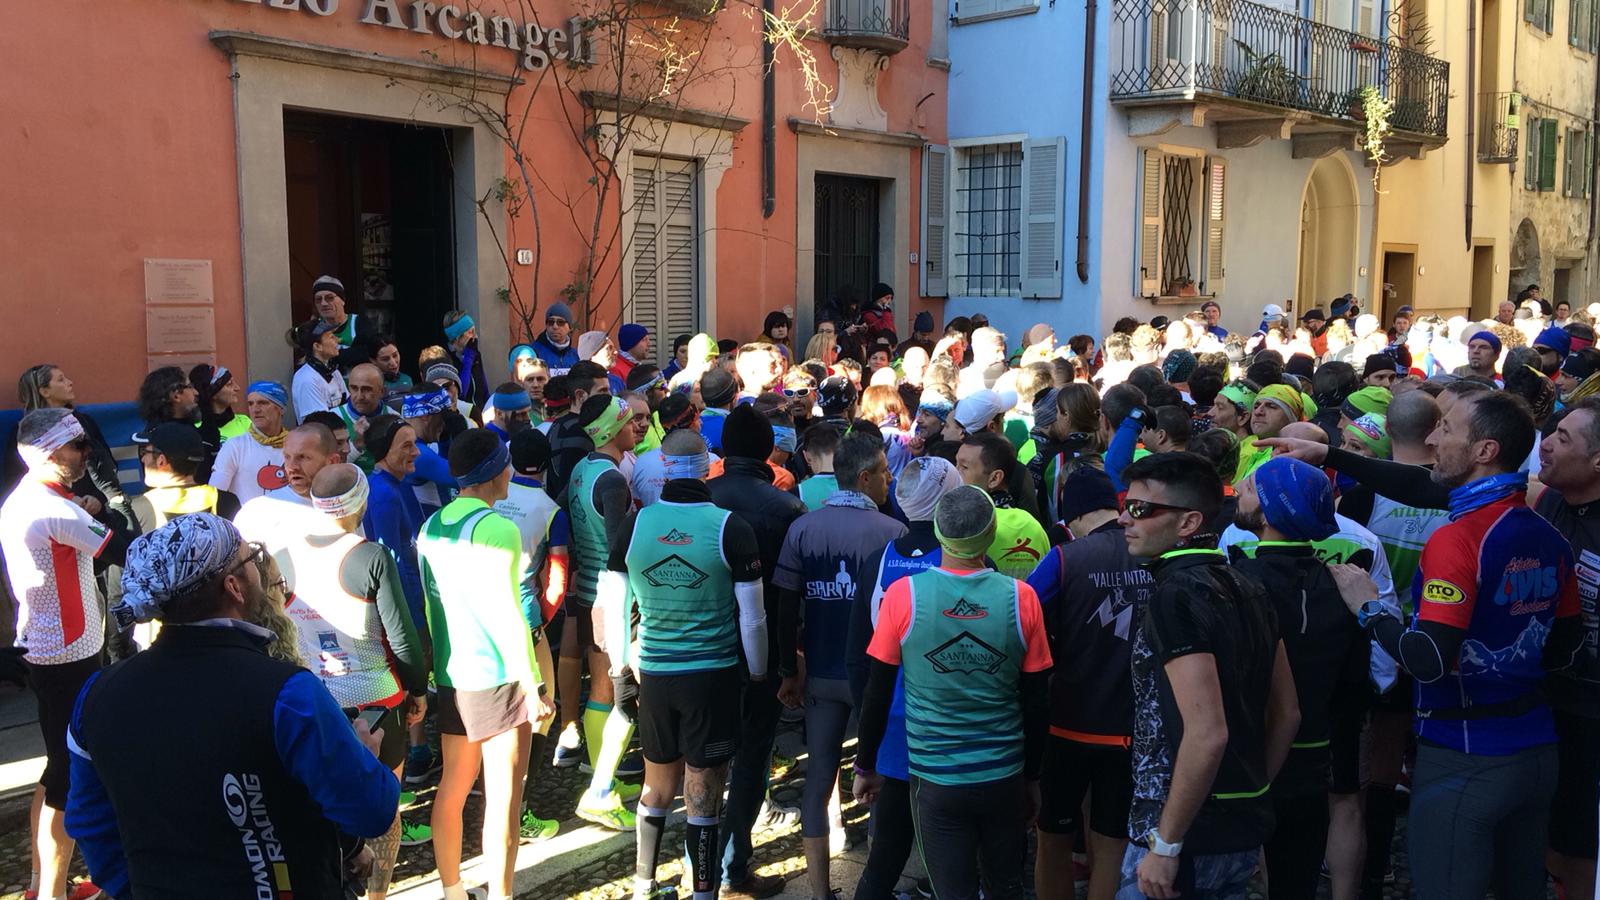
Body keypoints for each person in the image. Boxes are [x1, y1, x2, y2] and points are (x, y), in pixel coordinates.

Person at [1326, 391, 1582, 900]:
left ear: (1485, 451)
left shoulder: (1456, 539)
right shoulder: (1548, 534)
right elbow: (1565, 647)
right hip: (1535, 751)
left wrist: (1368, 607)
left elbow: (1428, 660)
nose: (1431, 438)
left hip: (1463, 754)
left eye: (1445, 428)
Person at [65, 513, 398, 899]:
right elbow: (370, 811)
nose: (259, 567)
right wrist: (365, 758)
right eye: (251, 558)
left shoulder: (96, 694)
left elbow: (89, 823)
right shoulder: (288, 693)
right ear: (234, 587)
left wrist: (135, 889)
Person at [853, 484, 1052, 900]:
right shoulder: (1023, 599)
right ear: (991, 532)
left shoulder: (903, 596)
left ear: (939, 534)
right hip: (1003, 773)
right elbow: (1037, 700)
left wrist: (865, 765)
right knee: (1007, 888)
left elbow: (877, 692)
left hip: (935, 779)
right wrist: (1032, 776)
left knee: (952, 891)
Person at [1116, 452, 1300, 900]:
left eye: (1140, 509)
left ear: (1188, 522)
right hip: (1237, 827)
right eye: (1125, 504)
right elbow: (1288, 714)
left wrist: (1167, 843)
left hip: (1182, 836)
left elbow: (1207, 733)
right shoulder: (1248, 583)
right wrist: (1250, 791)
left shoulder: (1176, 595)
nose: (1124, 518)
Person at [597, 427, 768, 900]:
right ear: (709, 467)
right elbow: (753, 618)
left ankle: (643, 884)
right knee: (703, 791)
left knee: (657, 784)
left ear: (664, 469)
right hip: (711, 676)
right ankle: (703, 893)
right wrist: (758, 675)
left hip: (654, 672)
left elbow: (616, 606)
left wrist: (619, 670)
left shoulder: (635, 525)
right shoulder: (730, 527)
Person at [285, 464, 433, 892]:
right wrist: (418, 690)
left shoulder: (282, 555)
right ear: (362, 503)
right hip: (376, 697)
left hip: (314, 697)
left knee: (324, 804)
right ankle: (378, 894)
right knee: (383, 807)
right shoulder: (371, 557)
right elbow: (402, 637)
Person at [773, 430, 906, 900]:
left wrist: (788, 669)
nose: (890, 481)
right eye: (885, 473)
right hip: (874, 677)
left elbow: (785, 606)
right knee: (882, 775)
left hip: (822, 672)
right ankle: (877, 885)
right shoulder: (893, 534)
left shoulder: (804, 528)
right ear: (865, 478)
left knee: (819, 777)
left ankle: (819, 890)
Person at [418, 429, 550, 900]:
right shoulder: (499, 529)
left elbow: (431, 606)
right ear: (496, 472)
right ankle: (500, 895)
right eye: (505, 463)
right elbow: (507, 613)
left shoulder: (431, 525)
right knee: (504, 800)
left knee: (452, 789)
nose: (510, 471)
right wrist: (532, 685)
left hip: (452, 675)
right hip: (497, 678)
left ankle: (453, 891)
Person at [1229, 457, 1368, 900]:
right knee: (1296, 882)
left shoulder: (1238, 581)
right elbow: (1354, 683)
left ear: (1271, 511)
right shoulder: (1345, 585)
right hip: (1316, 757)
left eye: (1251, 487)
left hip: (1250, 758)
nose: (1238, 488)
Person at [0, 409, 111, 900]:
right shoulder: (57, 511)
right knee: (67, 777)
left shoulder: (31, 497)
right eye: (77, 445)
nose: (88, 452)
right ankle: (50, 892)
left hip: (52, 648)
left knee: (56, 770)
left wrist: (86, 505)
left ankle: (41, 884)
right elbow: (126, 550)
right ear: (47, 454)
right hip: (70, 653)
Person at [841, 457, 962, 900]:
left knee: (886, 854)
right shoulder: (963, 560)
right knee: (955, 857)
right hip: (952, 729)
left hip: (893, 727)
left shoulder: (879, 561)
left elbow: (857, 658)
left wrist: (869, 740)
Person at [1024, 464, 1147, 900]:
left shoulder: (1065, 557)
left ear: (1073, 515)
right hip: (1132, 728)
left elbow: (1021, 614)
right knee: (1112, 842)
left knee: (1053, 839)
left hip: (1068, 724)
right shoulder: (1151, 553)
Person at [704, 406, 809, 897]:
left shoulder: (700, 497)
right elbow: (791, 596)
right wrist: (790, 663)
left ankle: (704, 869)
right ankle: (731, 867)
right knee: (750, 758)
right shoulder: (785, 507)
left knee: (704, 763)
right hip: (759, 649)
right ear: (769, 448)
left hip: (704, 645)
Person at [563, 395, 645, 829]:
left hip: (588, 592)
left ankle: (605, 778)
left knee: (600, 689)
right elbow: (620, 547)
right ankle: (600, 790)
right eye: (629, 422)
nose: (636, 428)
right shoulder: (613, 481)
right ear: (612, 430)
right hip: (614, 597)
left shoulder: (582, 468)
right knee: (623, 693)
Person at [491, 428, 568, 843]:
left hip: (483, 615)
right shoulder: (551, 510)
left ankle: (489, 795)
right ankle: (519, 810)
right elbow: (557, 579)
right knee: (542, 711)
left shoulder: (488, 498)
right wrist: (543, 620)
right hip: (525, 620)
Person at [955, 432, 1048, 578]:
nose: (955, 473)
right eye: (956, 464)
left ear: (994, 479)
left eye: (964, 467)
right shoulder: (1034, 526)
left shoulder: (966, 526)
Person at [129, 423, 242, 527]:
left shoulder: (139, 510)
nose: (143, 459)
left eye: (145, 452)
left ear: (161, 461)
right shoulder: (228, 502)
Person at [208, 380, 290, 503]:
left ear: (281, 408)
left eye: (263, 403)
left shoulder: (296, 445)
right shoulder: (235, 446)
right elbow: (215, 495)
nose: (255, 409)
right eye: (251, 404)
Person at [138, 365, 219, 484]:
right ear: (176, 395)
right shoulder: (155, 438)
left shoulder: (197, 428)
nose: (196, 392)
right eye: (190, 387)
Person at [292, 320, 349, 424]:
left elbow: (348, 405)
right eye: (331, 337)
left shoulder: (334, 371)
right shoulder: (306, 379)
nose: (337, 340)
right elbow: (318, 424)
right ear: (317, 346)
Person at [443, 311, 491, 415]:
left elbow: (485, 391)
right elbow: (461, 394)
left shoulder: (475, 355)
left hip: (481, 416)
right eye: (470, 332)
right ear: (458, 337)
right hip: (463, 417)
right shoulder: (448, 360)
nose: (475, 336)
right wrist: (468, 360)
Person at [191, 363, 251, 440]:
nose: (237, 388)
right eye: (229, 384)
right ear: (213, 393)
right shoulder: (195, 429)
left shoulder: (245, 422)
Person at [532, 302, 581, 376]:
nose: (555, 326)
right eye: (551, 322)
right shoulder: (534, 352)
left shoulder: (574, 355)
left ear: (569, 327)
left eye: (560, 322)